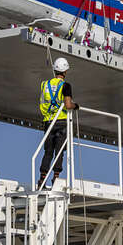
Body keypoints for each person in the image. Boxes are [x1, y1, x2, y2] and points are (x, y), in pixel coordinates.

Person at [38, 57, 77, 186]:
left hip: (48, 121)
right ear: (65, 71)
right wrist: (76, 106)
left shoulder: (44, 84)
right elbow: (67, 104)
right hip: (61, 121)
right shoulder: (66, 86)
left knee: (48, 151)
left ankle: (42, 179)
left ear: (55, 70)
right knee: (59, 150)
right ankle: (56, 178)